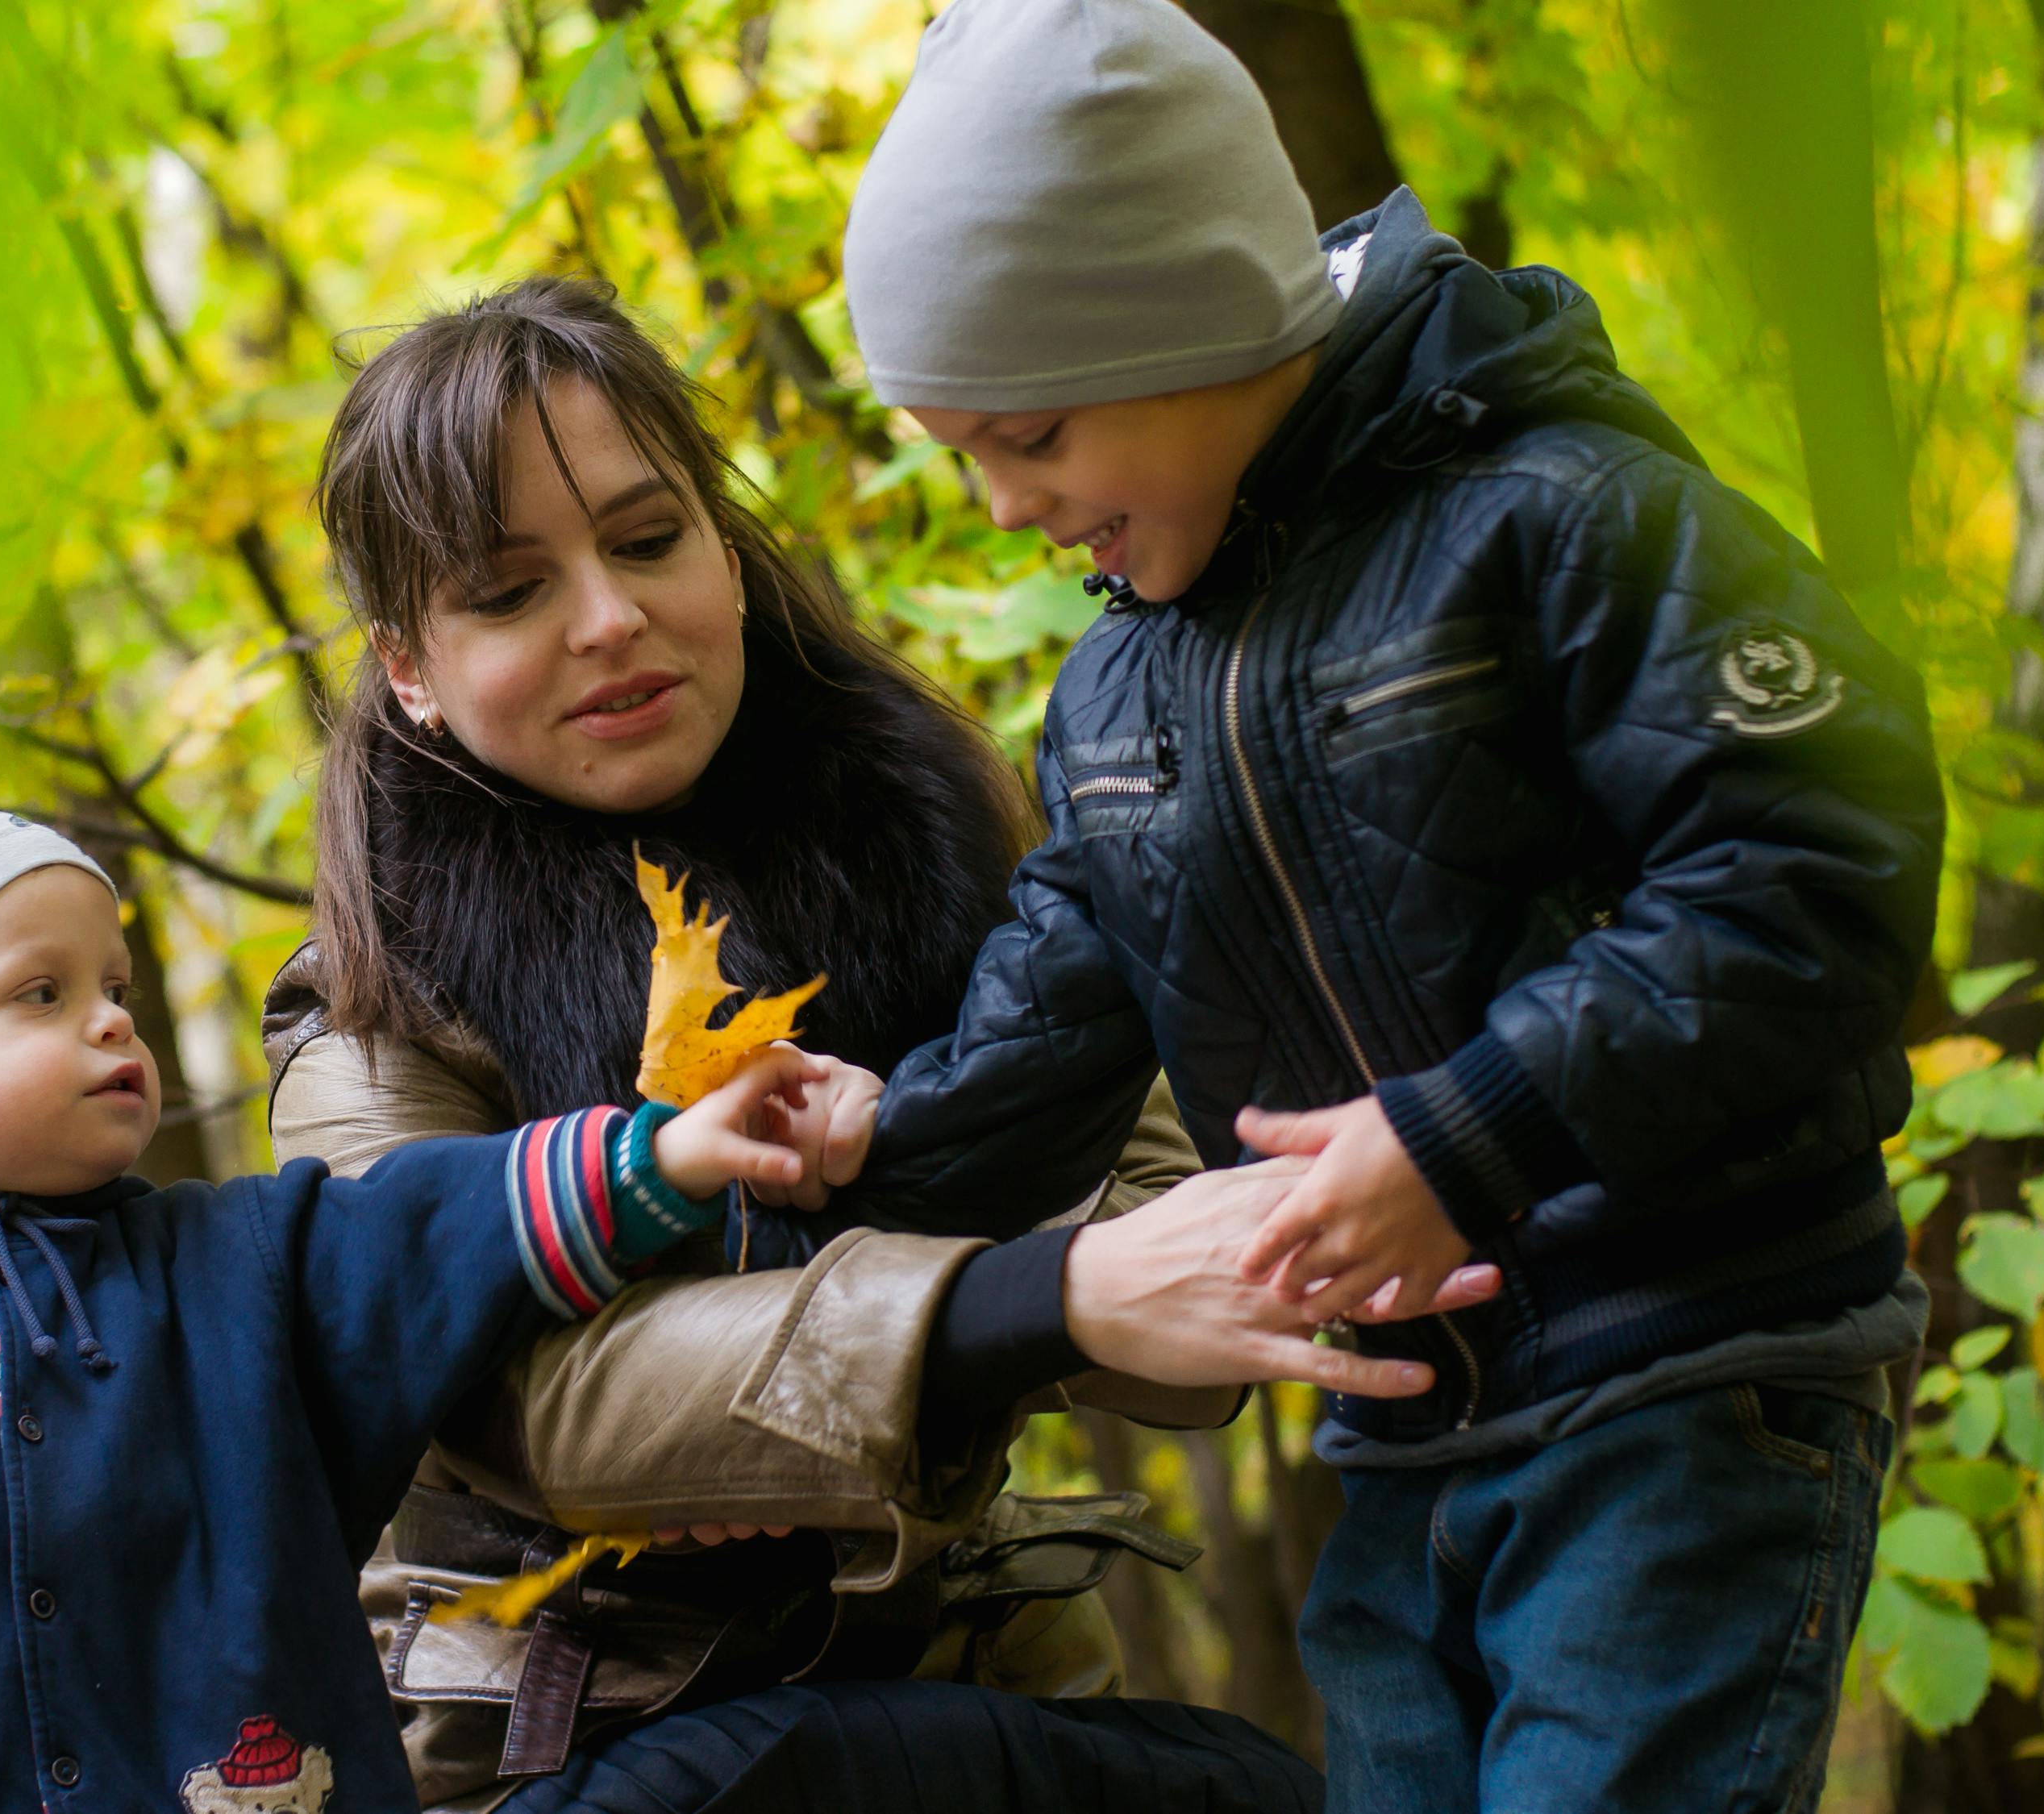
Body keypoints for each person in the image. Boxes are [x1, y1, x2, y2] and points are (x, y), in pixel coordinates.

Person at [835, 4, 1946, 1811]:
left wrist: (1467, 1132)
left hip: (1677, 1371)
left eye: (1026, 433)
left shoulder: (1555, 513)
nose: (1001, 505)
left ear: (1182, 315)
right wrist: (877, 1136)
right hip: (1401, 1425)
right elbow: (1061, 992)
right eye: (961, 449)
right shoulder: (1120, 694)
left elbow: (1811, 870)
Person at [276, 273, 1497, 1812]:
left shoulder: (930, 828)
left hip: (970, 1666)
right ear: (409, 668)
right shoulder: (368, 1006)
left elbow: (1143, 1185)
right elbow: (539, 1402)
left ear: (722, 547)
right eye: (509, 592)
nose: (611, 618)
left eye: (651, 539)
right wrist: (1040, 1301)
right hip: (575, 1736)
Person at [0, 790, 831, 1814]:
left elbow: (441, 1224)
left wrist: (663, 1155)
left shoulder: (238, 1263)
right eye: (39, 994)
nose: (115, 1021)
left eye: (113, 987)